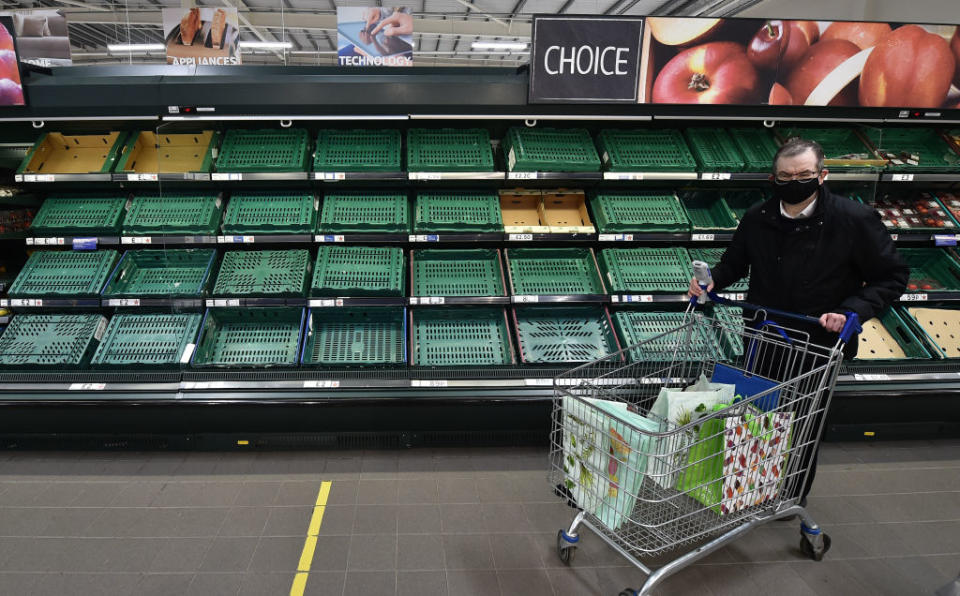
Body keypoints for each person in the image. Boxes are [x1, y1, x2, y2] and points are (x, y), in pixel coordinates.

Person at [687, 137, 909, 513]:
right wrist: (711, 281)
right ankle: (750, 486)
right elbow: (735, 263)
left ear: (821, 175)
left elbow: (892, 276)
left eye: (804, 174)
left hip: (818, 343)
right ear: (773, 178)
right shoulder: (758, 217)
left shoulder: (854, 220)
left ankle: (791, 495)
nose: (795, 182)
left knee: (803, 424)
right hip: (764, 335)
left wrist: (852, 310)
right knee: (755, 414)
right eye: (786, 176)